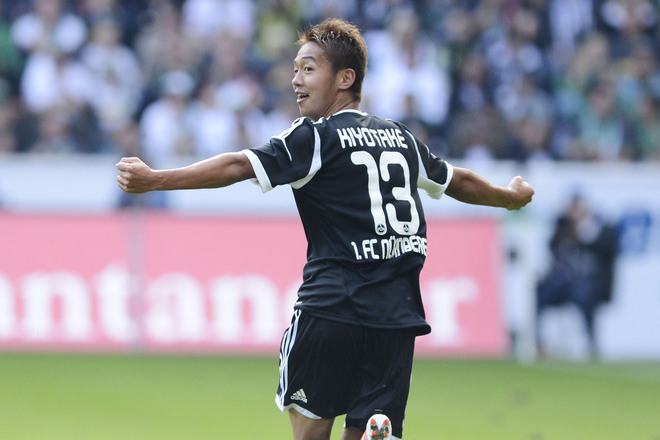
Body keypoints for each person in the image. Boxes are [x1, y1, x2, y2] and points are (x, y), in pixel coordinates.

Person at [116, 18, 534, 440]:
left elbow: (239, 165)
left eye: (309, 69)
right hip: (395, 315)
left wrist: (156, 180)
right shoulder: (400, 138)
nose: (296, 80)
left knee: (310, 434)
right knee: (369, 426)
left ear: (345, 78)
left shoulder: (315, 138)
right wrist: (507, 197)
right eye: (296, 69)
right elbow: (456, 180)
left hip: (331, 309)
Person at [536, 194, 618, 359]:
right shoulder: (562, 228)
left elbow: (605, 252)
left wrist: (585, 231)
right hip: (563, 282)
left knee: (584, 296)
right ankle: (537, 340)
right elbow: (552, 248)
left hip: (586, 282)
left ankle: (591, 342)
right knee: (539, 294)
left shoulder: (597, 229)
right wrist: (566, 226)